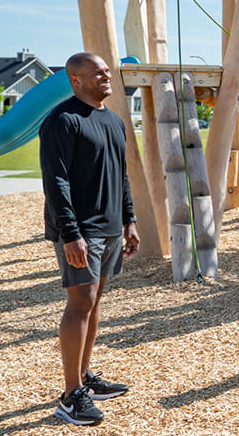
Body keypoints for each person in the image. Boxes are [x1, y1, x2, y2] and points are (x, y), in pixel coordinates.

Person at [40, 52, 137, 426]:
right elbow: (56, 182)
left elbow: (120, 174)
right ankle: (69, 396)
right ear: (75, 79)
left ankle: (84, 378)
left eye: (107, 71)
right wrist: (70, 234)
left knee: (94, 304)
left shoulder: (113, 121)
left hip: (110, 227)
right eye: (98, 73)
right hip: (80, 231)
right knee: (80, 303)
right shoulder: (61, 121)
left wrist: (129, 219)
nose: (107, 76)